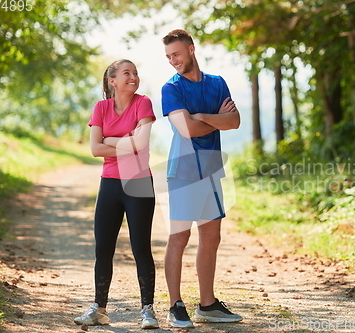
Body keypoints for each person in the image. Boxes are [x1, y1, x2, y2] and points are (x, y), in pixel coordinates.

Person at [161, 29, 243, 328]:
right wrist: (213, 118)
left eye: (177, 54)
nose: (173, 61)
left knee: (211, 237)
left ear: (191, 50)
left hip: (210, 167)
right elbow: (187, 130)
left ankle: (207, 305)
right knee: (179, 237)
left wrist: (201, 116)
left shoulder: (217, 83)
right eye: (169, 57)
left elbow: (234, 121)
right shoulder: (170, 88)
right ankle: (175, 305)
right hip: (183, 169)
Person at [74, 59, 158, 329]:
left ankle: (148, 311)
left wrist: (110, 140)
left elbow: (142, 143)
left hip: (139, 182)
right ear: (113, 81)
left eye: (135, 72)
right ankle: (99, 309)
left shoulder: (142, 103)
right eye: (127, 73)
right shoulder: (101, 108)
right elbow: (95, 150)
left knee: (140, 248)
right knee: (103, 248)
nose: (133, 77)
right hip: (110, 182)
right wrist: (127, 143)